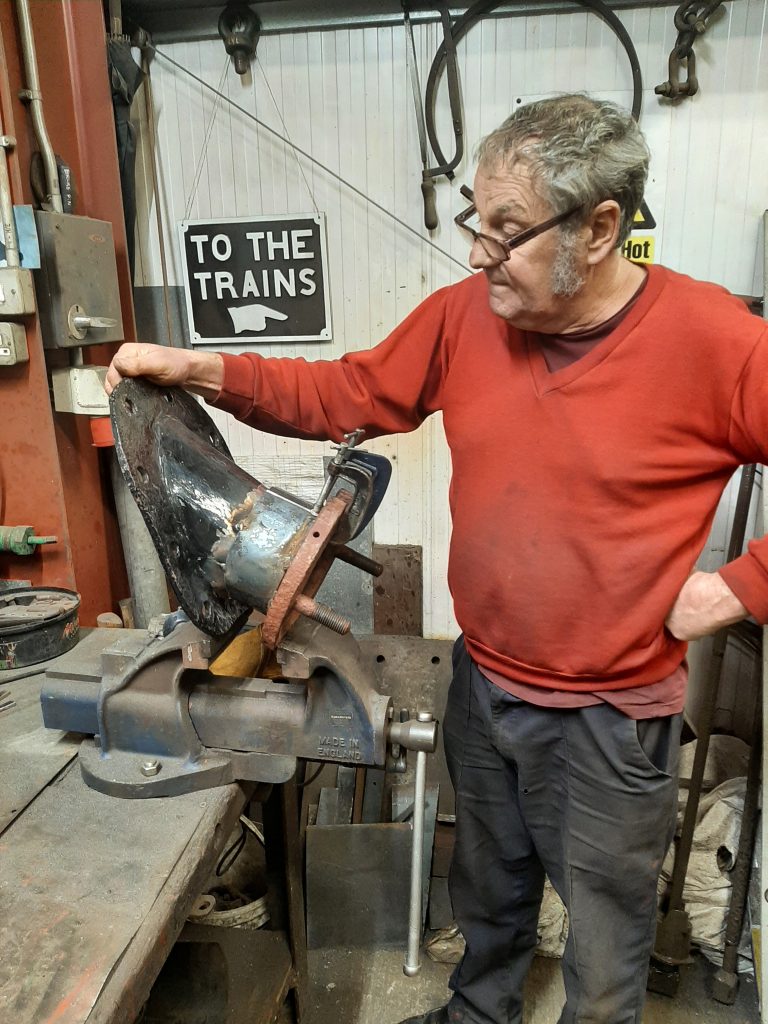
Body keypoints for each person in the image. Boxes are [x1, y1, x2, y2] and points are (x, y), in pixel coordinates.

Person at [106, 94, 768, 1024]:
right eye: (475, 220)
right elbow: (347, 388)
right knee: (488, 900)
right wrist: (205, 370)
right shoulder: (468, 317)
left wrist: (741, 587)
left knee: (606, 939)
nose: (475, 254)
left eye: (507, 233)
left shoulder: (718, 343)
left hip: (609, 717)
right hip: (485, 687)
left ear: (602, 225)